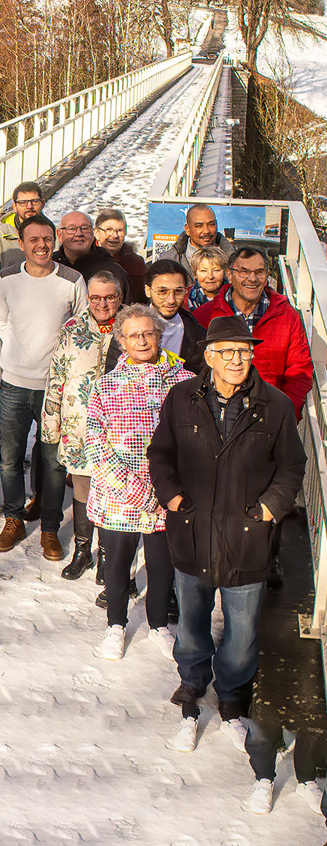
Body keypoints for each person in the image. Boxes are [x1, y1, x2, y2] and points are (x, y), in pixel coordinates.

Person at [148, 315, 306, 754]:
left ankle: (233, 695)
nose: (238, 359)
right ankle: (191, 683)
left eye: (245, 351)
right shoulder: (182, 398)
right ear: (210, 356)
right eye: (229, 352)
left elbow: (292, 465)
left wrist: (271, 508)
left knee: (241, 635)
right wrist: (173, 497)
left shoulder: (273, 405)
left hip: (247, 537)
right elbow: (160, 453)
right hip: (193, 531)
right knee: (193, 626)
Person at [84, 305, 192, 661]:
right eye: (134, 335)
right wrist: (129, 487)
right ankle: (116, 625)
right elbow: (94, 441)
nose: (142, 340)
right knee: (117, 563)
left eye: (149, 333)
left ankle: (159, 624)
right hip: (119, 493)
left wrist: (166, 488)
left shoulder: (184, 381)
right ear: (121, 342)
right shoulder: (105, 385)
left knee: (162, 564)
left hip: (167, 492)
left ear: (160, 336)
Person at [0, 214, 87, 559]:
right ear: (22, 244)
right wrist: (20, 354)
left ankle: (49, 528)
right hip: (15, 383)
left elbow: (80, 326)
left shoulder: (72, 280)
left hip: (54, 389)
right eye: (34, 239)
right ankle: (13, 519)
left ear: (55, 240)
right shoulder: (6, 279)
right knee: (10, 461)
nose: (41, 245)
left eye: (47, 239)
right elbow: (1, 323)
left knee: (54, 463)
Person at [42, 270, 124, 581]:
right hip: (77, 424)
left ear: (119, 297)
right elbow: (57, 375)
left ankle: (106, 557)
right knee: (82, 487)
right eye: (96, 297)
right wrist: (51, 423)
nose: (102, 304)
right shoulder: (72, 328)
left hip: (117, 428)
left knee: (111, 492)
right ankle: (82, 550)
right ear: (87, 297)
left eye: (110, 297)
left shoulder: (130, 327)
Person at [194, 246, 313, 421]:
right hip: (214, 418)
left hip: (269, 417)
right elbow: (193, 367)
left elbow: (299, 372)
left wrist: (286, 416)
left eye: (259, 272)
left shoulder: (287, 316)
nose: (252, 278)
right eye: (244, 271)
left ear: (267, 276)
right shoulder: (205, 315)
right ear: (230, 274)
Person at [140, 259, 206, 374]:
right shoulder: (128, 327)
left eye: (178, 292)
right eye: (162, 292)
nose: (171, 300)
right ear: (148, 291)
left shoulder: (196, 332)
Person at [0, 182, 44, 273]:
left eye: (35, 201)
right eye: (23, 202)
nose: (29, 207)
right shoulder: (0, 234)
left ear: (43, 203)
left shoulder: (53, 234)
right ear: (14, 206)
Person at [160, 204, 234, 271]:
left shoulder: (233, 259)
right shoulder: (169, 260)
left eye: (211, 225)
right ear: (187, 229)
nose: (206, 231)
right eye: (199, 226)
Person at [94, 208, 147, 303]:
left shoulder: (136, 263)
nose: (114, 235)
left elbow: (141, 300)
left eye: (120, 230)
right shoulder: (85, 259)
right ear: (96, 233)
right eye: (108, 230)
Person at [53, 211, 118, 284]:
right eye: (71, 229)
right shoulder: (50, 266)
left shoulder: (111, 270)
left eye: (85, 228)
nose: (79, 233)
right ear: (59, 235)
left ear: (93, 234)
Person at [186, 244, 228, 311]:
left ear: (225, 272)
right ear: (195, 274)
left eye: (216, 270)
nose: (210, 276)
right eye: (203, 271)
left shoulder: (235, 297)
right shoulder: (185, 300)